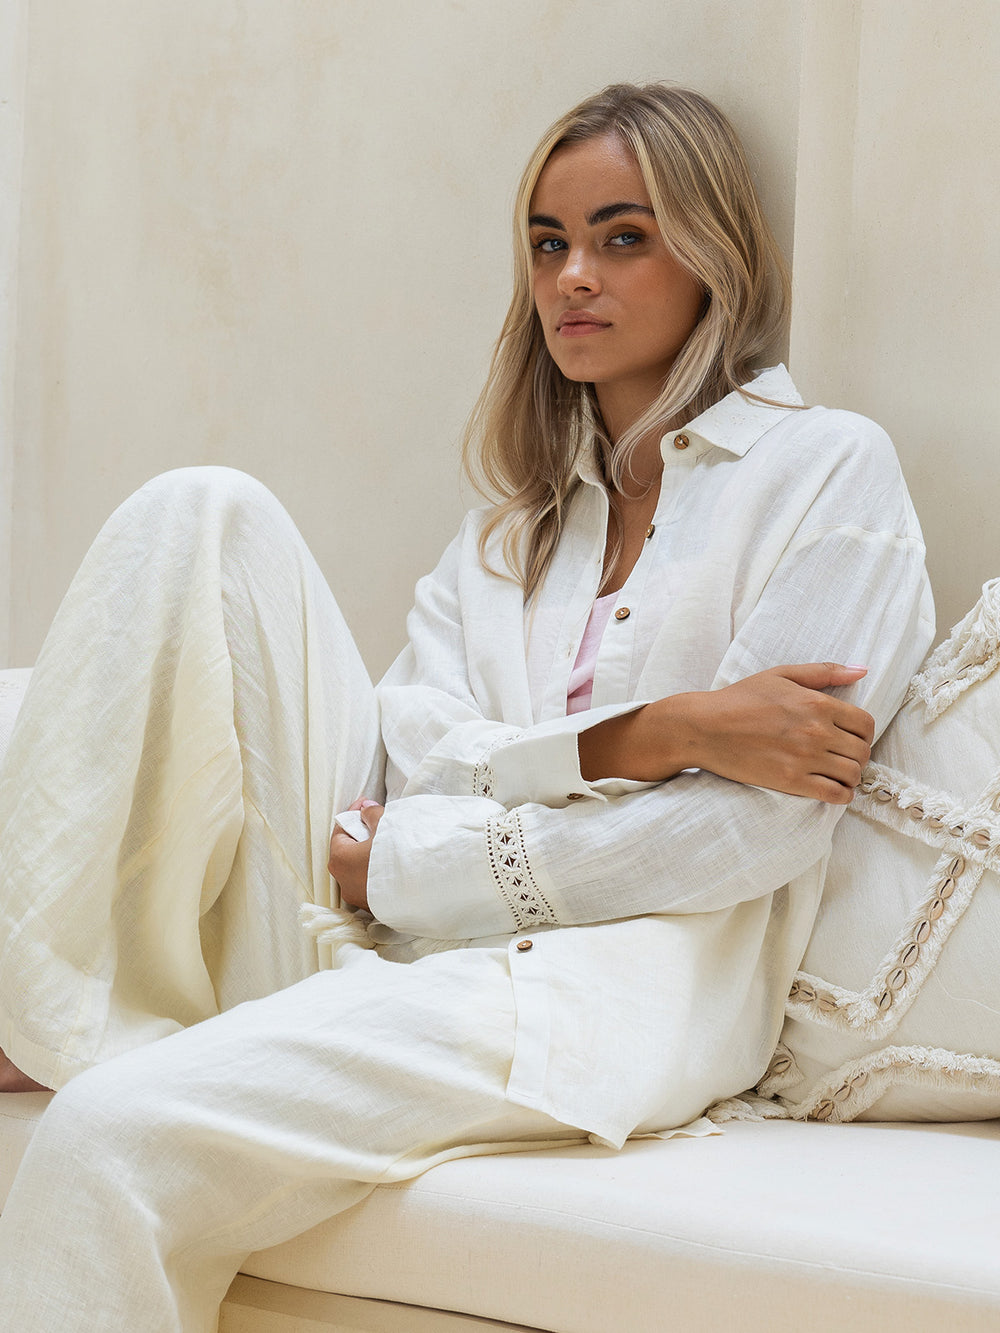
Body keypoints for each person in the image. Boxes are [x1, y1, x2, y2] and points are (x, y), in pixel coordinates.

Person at [0, 82, 933, 1330]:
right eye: (548, 244)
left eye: (620, 235)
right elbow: (417, 740)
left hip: (602, 991)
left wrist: (411, 864)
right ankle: (35, 987)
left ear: (714, 255)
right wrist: (654, 734)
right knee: (201, 513)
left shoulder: (829, 471)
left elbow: (744, 836)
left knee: (104, 1134)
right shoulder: (516, 527)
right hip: (387, 937)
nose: (572, 279)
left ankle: (91, 1035)